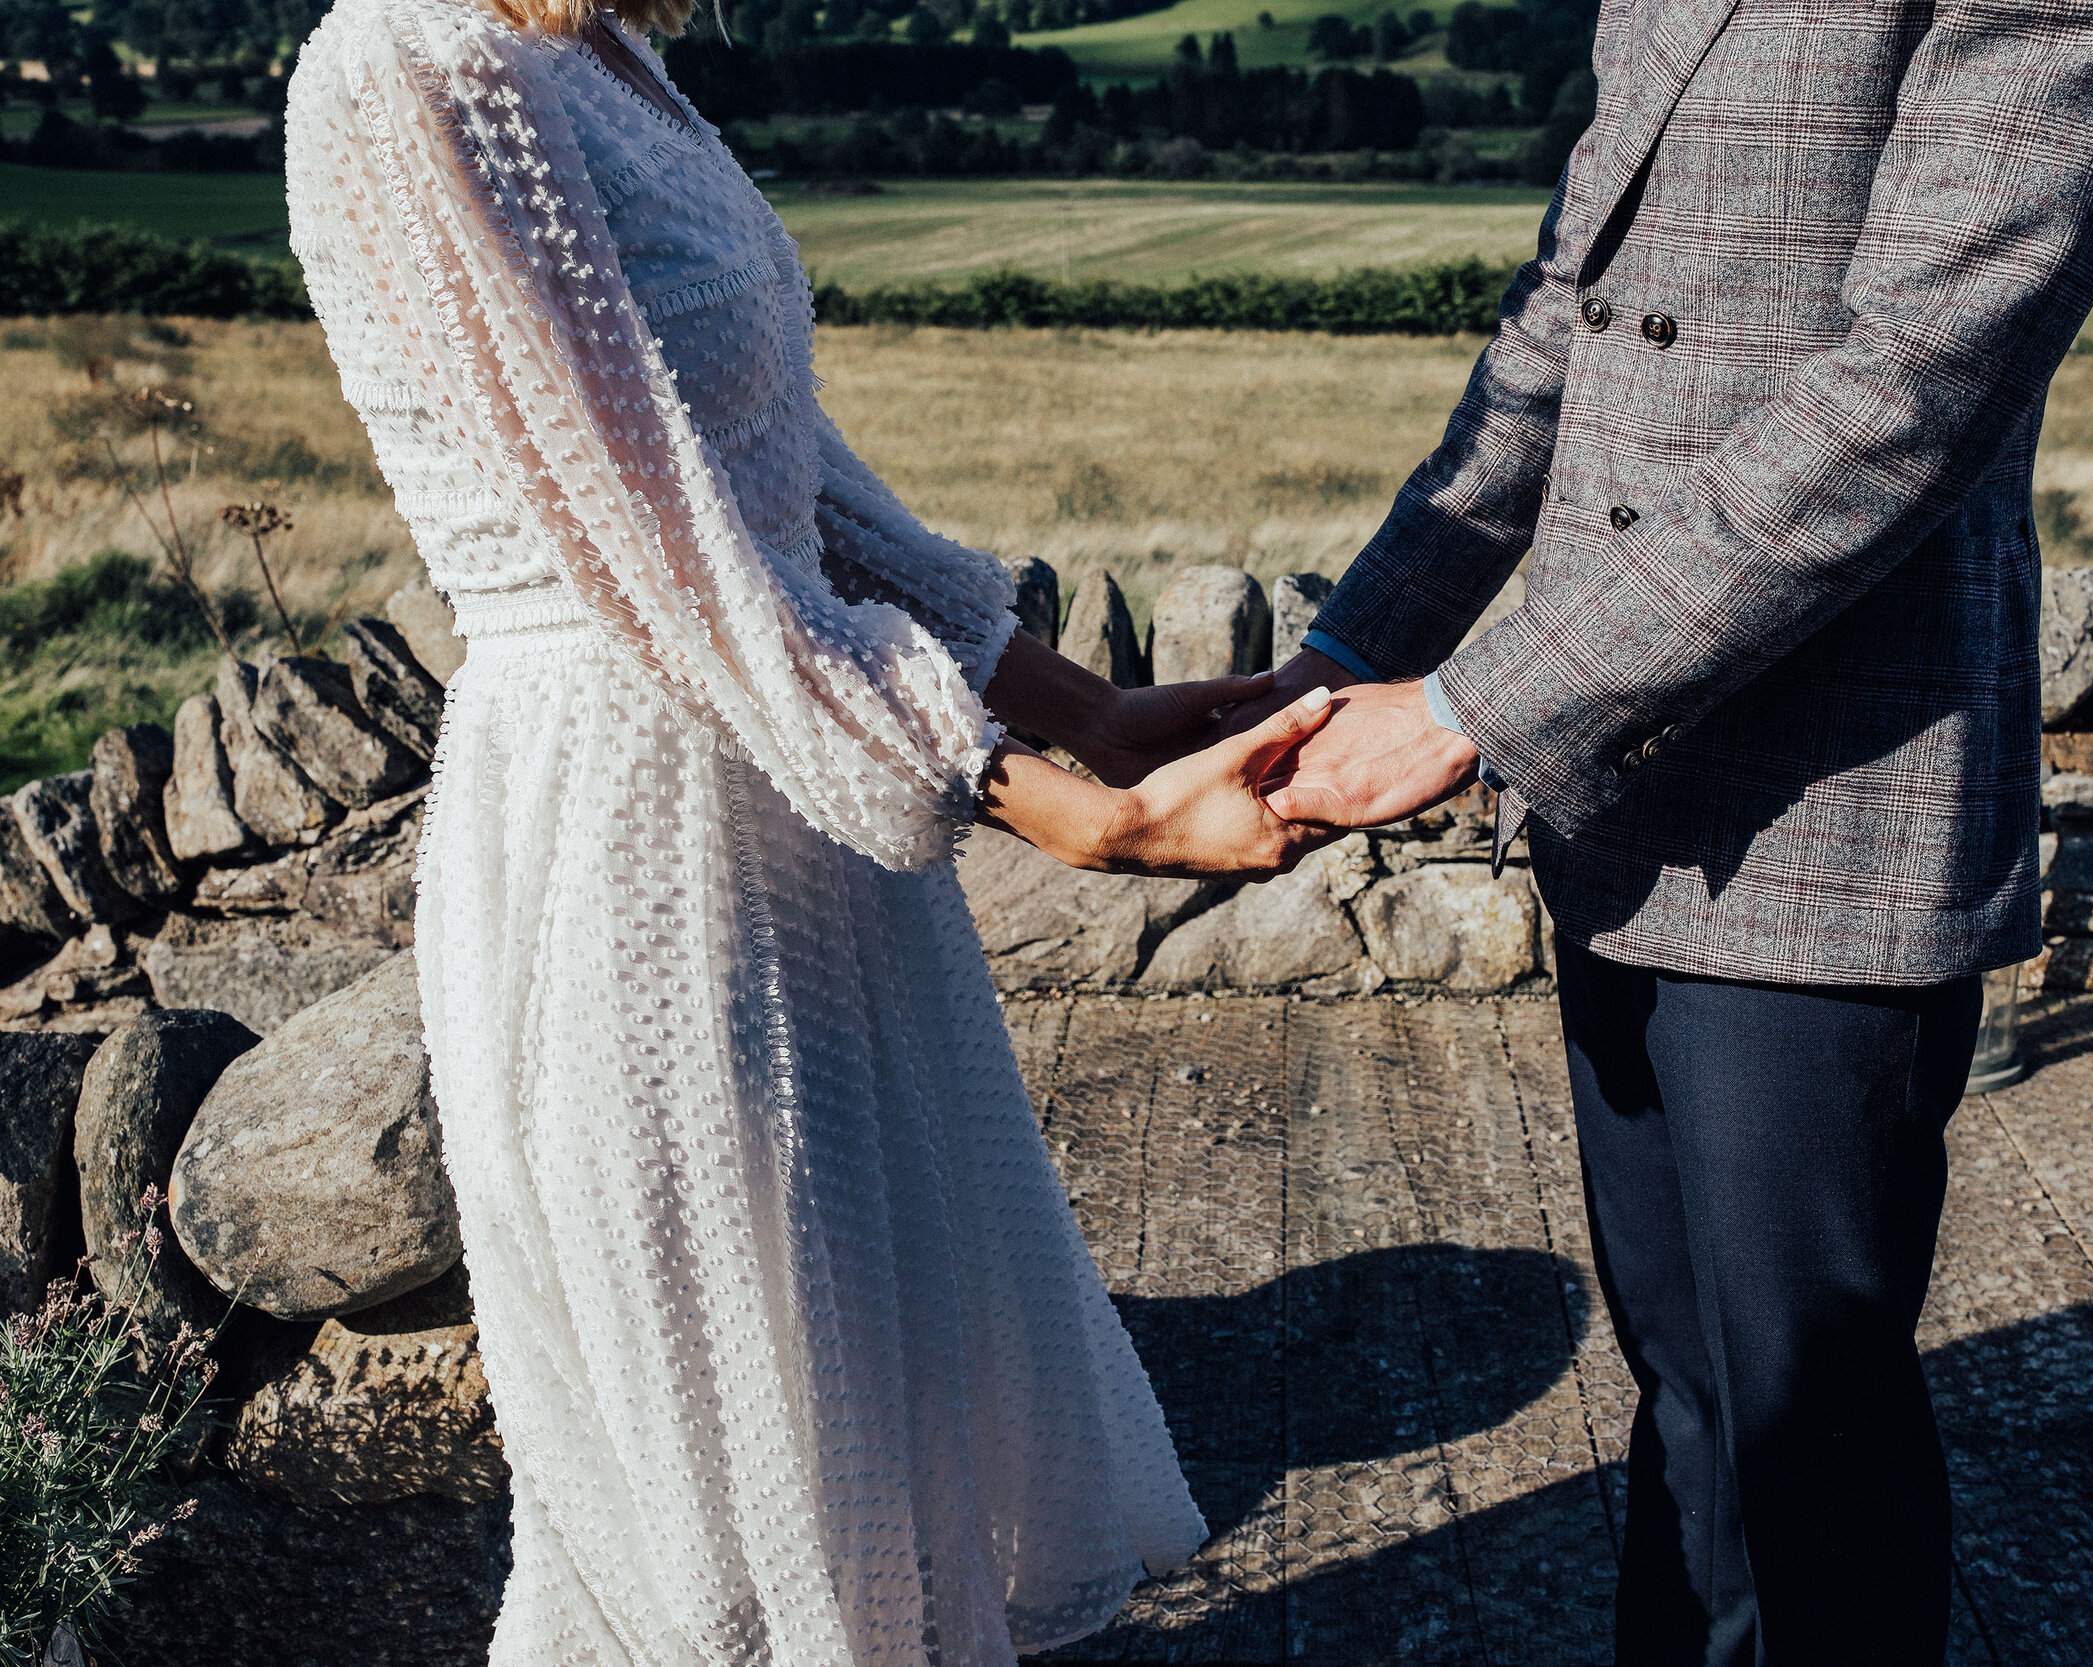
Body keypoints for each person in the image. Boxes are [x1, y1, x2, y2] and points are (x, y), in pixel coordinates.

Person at [282, 2, 1339, 1660]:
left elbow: (791, 490)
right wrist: (1064, 809)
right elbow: (659, 550)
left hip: (803, 815)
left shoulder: (606, 62)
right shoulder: (407, 73)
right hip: (627, 826)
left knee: (876, 1413)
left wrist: (1085, 709)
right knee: (729, 1436)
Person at [1244, 1, 2093, 1660]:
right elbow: (1574, 318)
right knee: (1689, 1405)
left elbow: (1909, 388)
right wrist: (1348, 654)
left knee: (1808, 1447)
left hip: (1837, 807)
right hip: (1618, 804)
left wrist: (1476, 709)